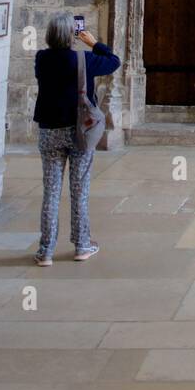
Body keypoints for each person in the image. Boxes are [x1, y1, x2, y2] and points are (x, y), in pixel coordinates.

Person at [32, 14, 120, 265]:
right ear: (73, 35)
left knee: (51, 192)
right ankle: (82, 246)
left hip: (50, 130)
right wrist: (93, 43)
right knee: (79, 191)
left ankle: (45, 252)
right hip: (79, 131)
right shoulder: (84, 59)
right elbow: (114, 61)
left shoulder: (41, 59)